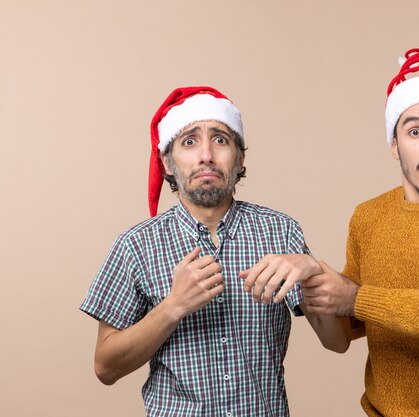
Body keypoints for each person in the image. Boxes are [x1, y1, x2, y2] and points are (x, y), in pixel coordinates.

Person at [248, 48, 419, 416]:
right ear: (395, 146)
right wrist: (313, 274)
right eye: (414, 131)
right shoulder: (369, 217)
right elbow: (341, 337)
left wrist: (354, 297)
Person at [80, 86, 345, 417]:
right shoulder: (136, 245)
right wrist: (174, 306)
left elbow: (338, 342)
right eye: (189, 141)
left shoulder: (281, 231)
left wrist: (312, 272)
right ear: (166, 161)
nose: (206, 155)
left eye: (220, 140)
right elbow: (105, 367)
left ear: (240, 157)